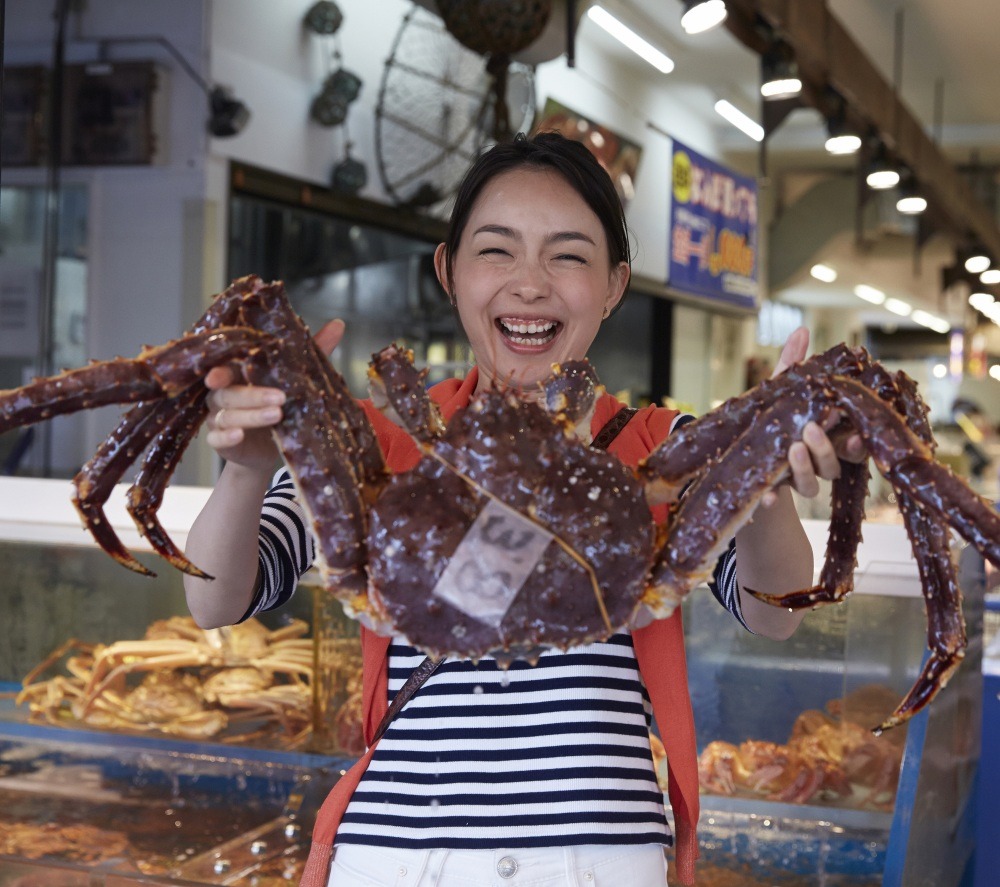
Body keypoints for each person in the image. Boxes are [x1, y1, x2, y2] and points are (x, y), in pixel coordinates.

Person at [183, 132, 862, 887]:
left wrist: (759, 479)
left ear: (613, 283)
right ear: (449, 270)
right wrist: (245, 469)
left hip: (597, 858)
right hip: (397, 856)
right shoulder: (380, 447)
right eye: (497, 250)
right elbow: (216, 598)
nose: (530, 283)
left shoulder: (660, 453)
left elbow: (775, 612)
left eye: (568, 255)